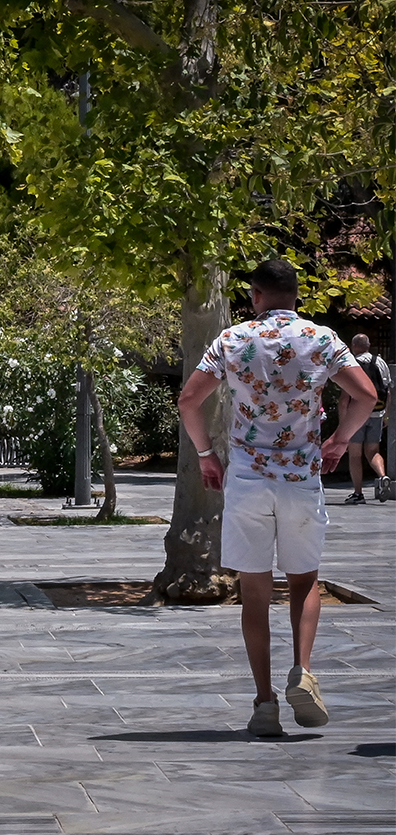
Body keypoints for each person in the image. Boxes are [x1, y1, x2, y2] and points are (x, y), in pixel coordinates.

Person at [177, 259, 375, 737]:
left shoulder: (232, 340)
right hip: (302, 477)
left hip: (246, 480)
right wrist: (339, 440)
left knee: (254, 594)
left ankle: (264, 703)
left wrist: (206, 455)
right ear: (295, 296)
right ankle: (302, 672)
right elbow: (367, 395)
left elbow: (188, 400)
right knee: (305, 582)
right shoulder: (322, 339)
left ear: (256, 295)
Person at [339, 334, 391, 503]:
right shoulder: (380, 362)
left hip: (356, 414)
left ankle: (358, 493)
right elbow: (388, 391)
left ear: (353, 346)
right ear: (368, 345)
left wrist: (343, 422)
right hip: (377, 413)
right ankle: (382, 476)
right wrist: (386, 414)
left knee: (355, 455)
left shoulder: (352, 364)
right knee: (373, 451)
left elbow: (345, 397)